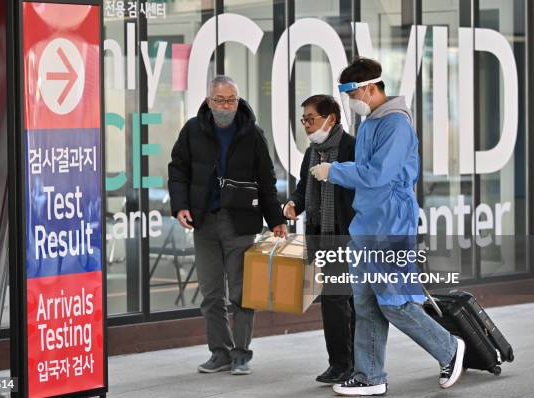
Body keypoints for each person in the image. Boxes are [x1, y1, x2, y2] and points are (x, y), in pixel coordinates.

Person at [309, 58, 465, 396]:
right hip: (367, 221)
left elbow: (378, 175)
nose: (350, 99)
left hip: (391, 222)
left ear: (370, 87)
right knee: (364, 302)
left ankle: (450, 348)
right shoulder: (370, 122)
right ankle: (370, 375)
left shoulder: (395, 124)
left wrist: (334, 171)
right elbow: (367, 167)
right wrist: (340, 167)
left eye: (351, 92)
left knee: (394, 302)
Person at [168, 75, 287, 376]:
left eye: (231, 99)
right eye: (219, 100)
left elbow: (266, 181)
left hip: (240, 222)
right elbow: (178, 170)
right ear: (208, 101)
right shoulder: (193, 130)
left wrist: (275, 220)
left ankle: (241, 355)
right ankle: (219, 353)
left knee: (241, 292)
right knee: (210, 293)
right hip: (204, 222)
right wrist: (180, 205)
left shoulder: (252, 133)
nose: (226, 105)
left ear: (238, 99)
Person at [283, 95, 356, 384]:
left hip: (345, 235)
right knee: (335, 301)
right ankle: (343, 363)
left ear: (331, 119)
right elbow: (304, 187)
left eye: (310, 118)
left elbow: (360, 186)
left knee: (339, 301)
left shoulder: (351, 147)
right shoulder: (313, 151)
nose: (306, 125)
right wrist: (293, 204)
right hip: (319, 236)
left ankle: (346, 363)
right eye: (304, 120)